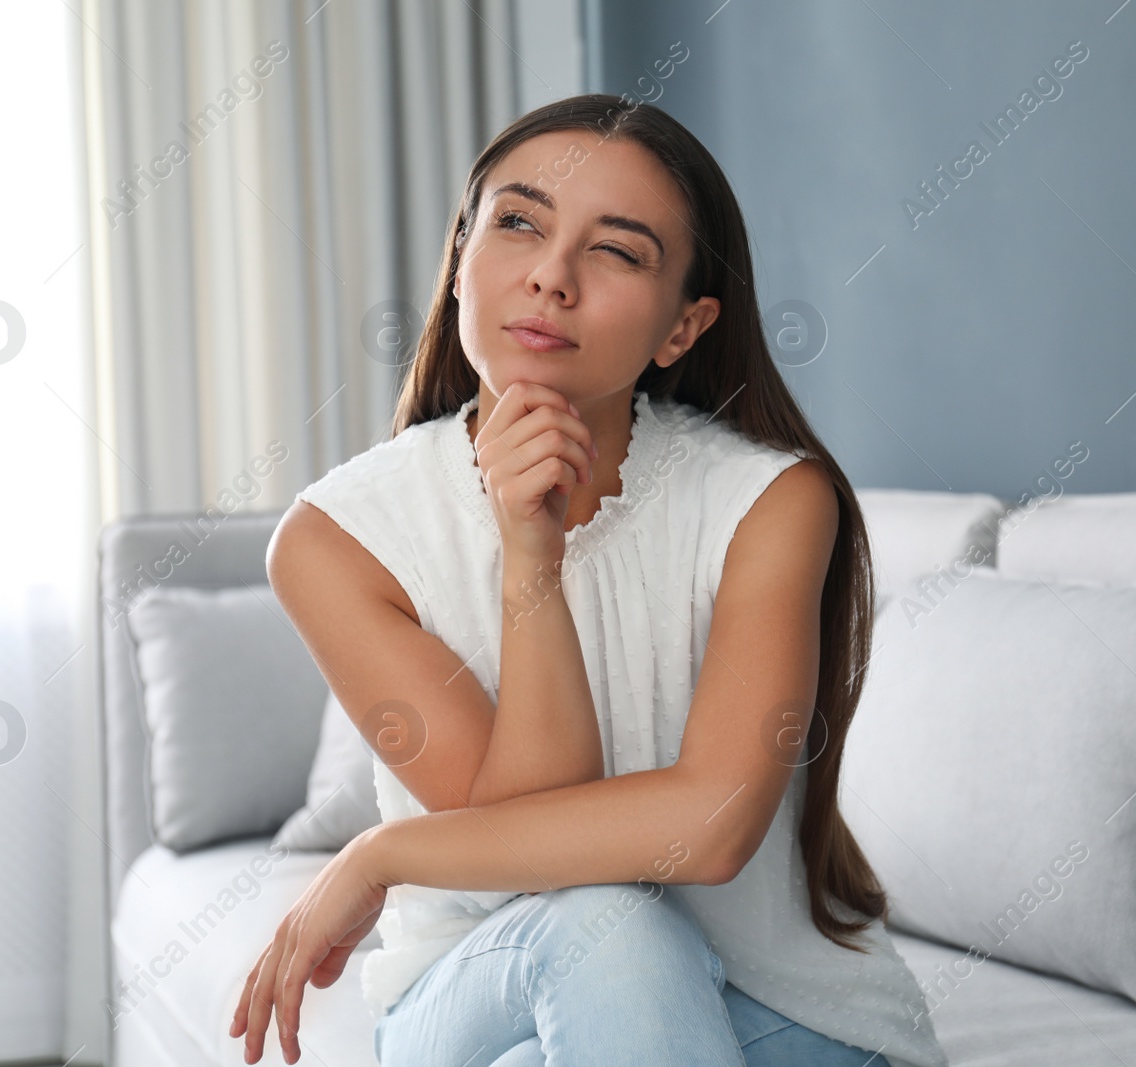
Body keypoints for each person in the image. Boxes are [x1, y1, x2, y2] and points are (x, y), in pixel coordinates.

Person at [229, 92, 948, 1067]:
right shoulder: (335, 537)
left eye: (616, 249)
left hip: (782, 1010)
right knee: (607, 924)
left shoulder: (769, 501)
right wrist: (531, 551)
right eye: (518, 222)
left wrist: (380, 853)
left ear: (681, 328)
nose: (551, 277)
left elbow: (711, 825)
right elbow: (530, 882)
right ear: (458, 259)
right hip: (477, 983)